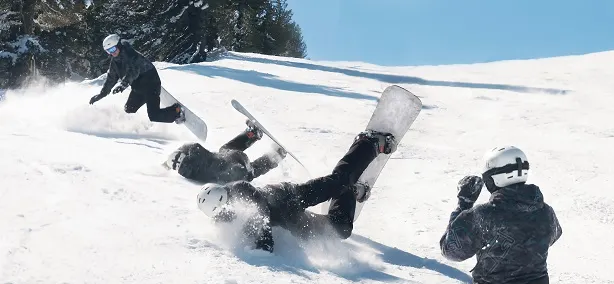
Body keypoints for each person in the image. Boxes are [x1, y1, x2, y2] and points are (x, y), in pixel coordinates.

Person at [438, 146, 577, 284]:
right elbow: (554, 235)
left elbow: (451, 250)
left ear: (493, 178)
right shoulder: (546, 212)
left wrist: (464, 204)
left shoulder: (483, 215)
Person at [195, 130, 397, 252]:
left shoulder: (239, 189)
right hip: (290, 221)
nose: (225, 213)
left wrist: (263, 242)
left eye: (223, 208)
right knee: (340, 230)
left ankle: (368, 143)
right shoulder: (223, 217)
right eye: (220, 214)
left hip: (290, 197)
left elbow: (260, 210)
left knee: (338, 181)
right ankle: (351, 191)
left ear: (223, 197)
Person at [89, 34, 184, 124]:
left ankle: (177, 111)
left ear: (118, 45)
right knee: (129, 109)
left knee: (154, 116)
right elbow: (111, 78)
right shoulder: (115, 61)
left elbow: (133, 71)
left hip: (151, 85)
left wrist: (124, 84)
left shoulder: (131, 55)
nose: (112, 53)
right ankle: (144, 121)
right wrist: (102, 94)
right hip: (138, 88)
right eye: (109, 51)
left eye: (113, 49)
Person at [166, 119, 287, 184]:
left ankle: (276, 156)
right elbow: (193, 146)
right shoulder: (196, 155)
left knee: (251, 173)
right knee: (225, 149)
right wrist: (180, 151)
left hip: (234, 170)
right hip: (232, 158)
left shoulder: (191, 175)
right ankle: (252, 134)